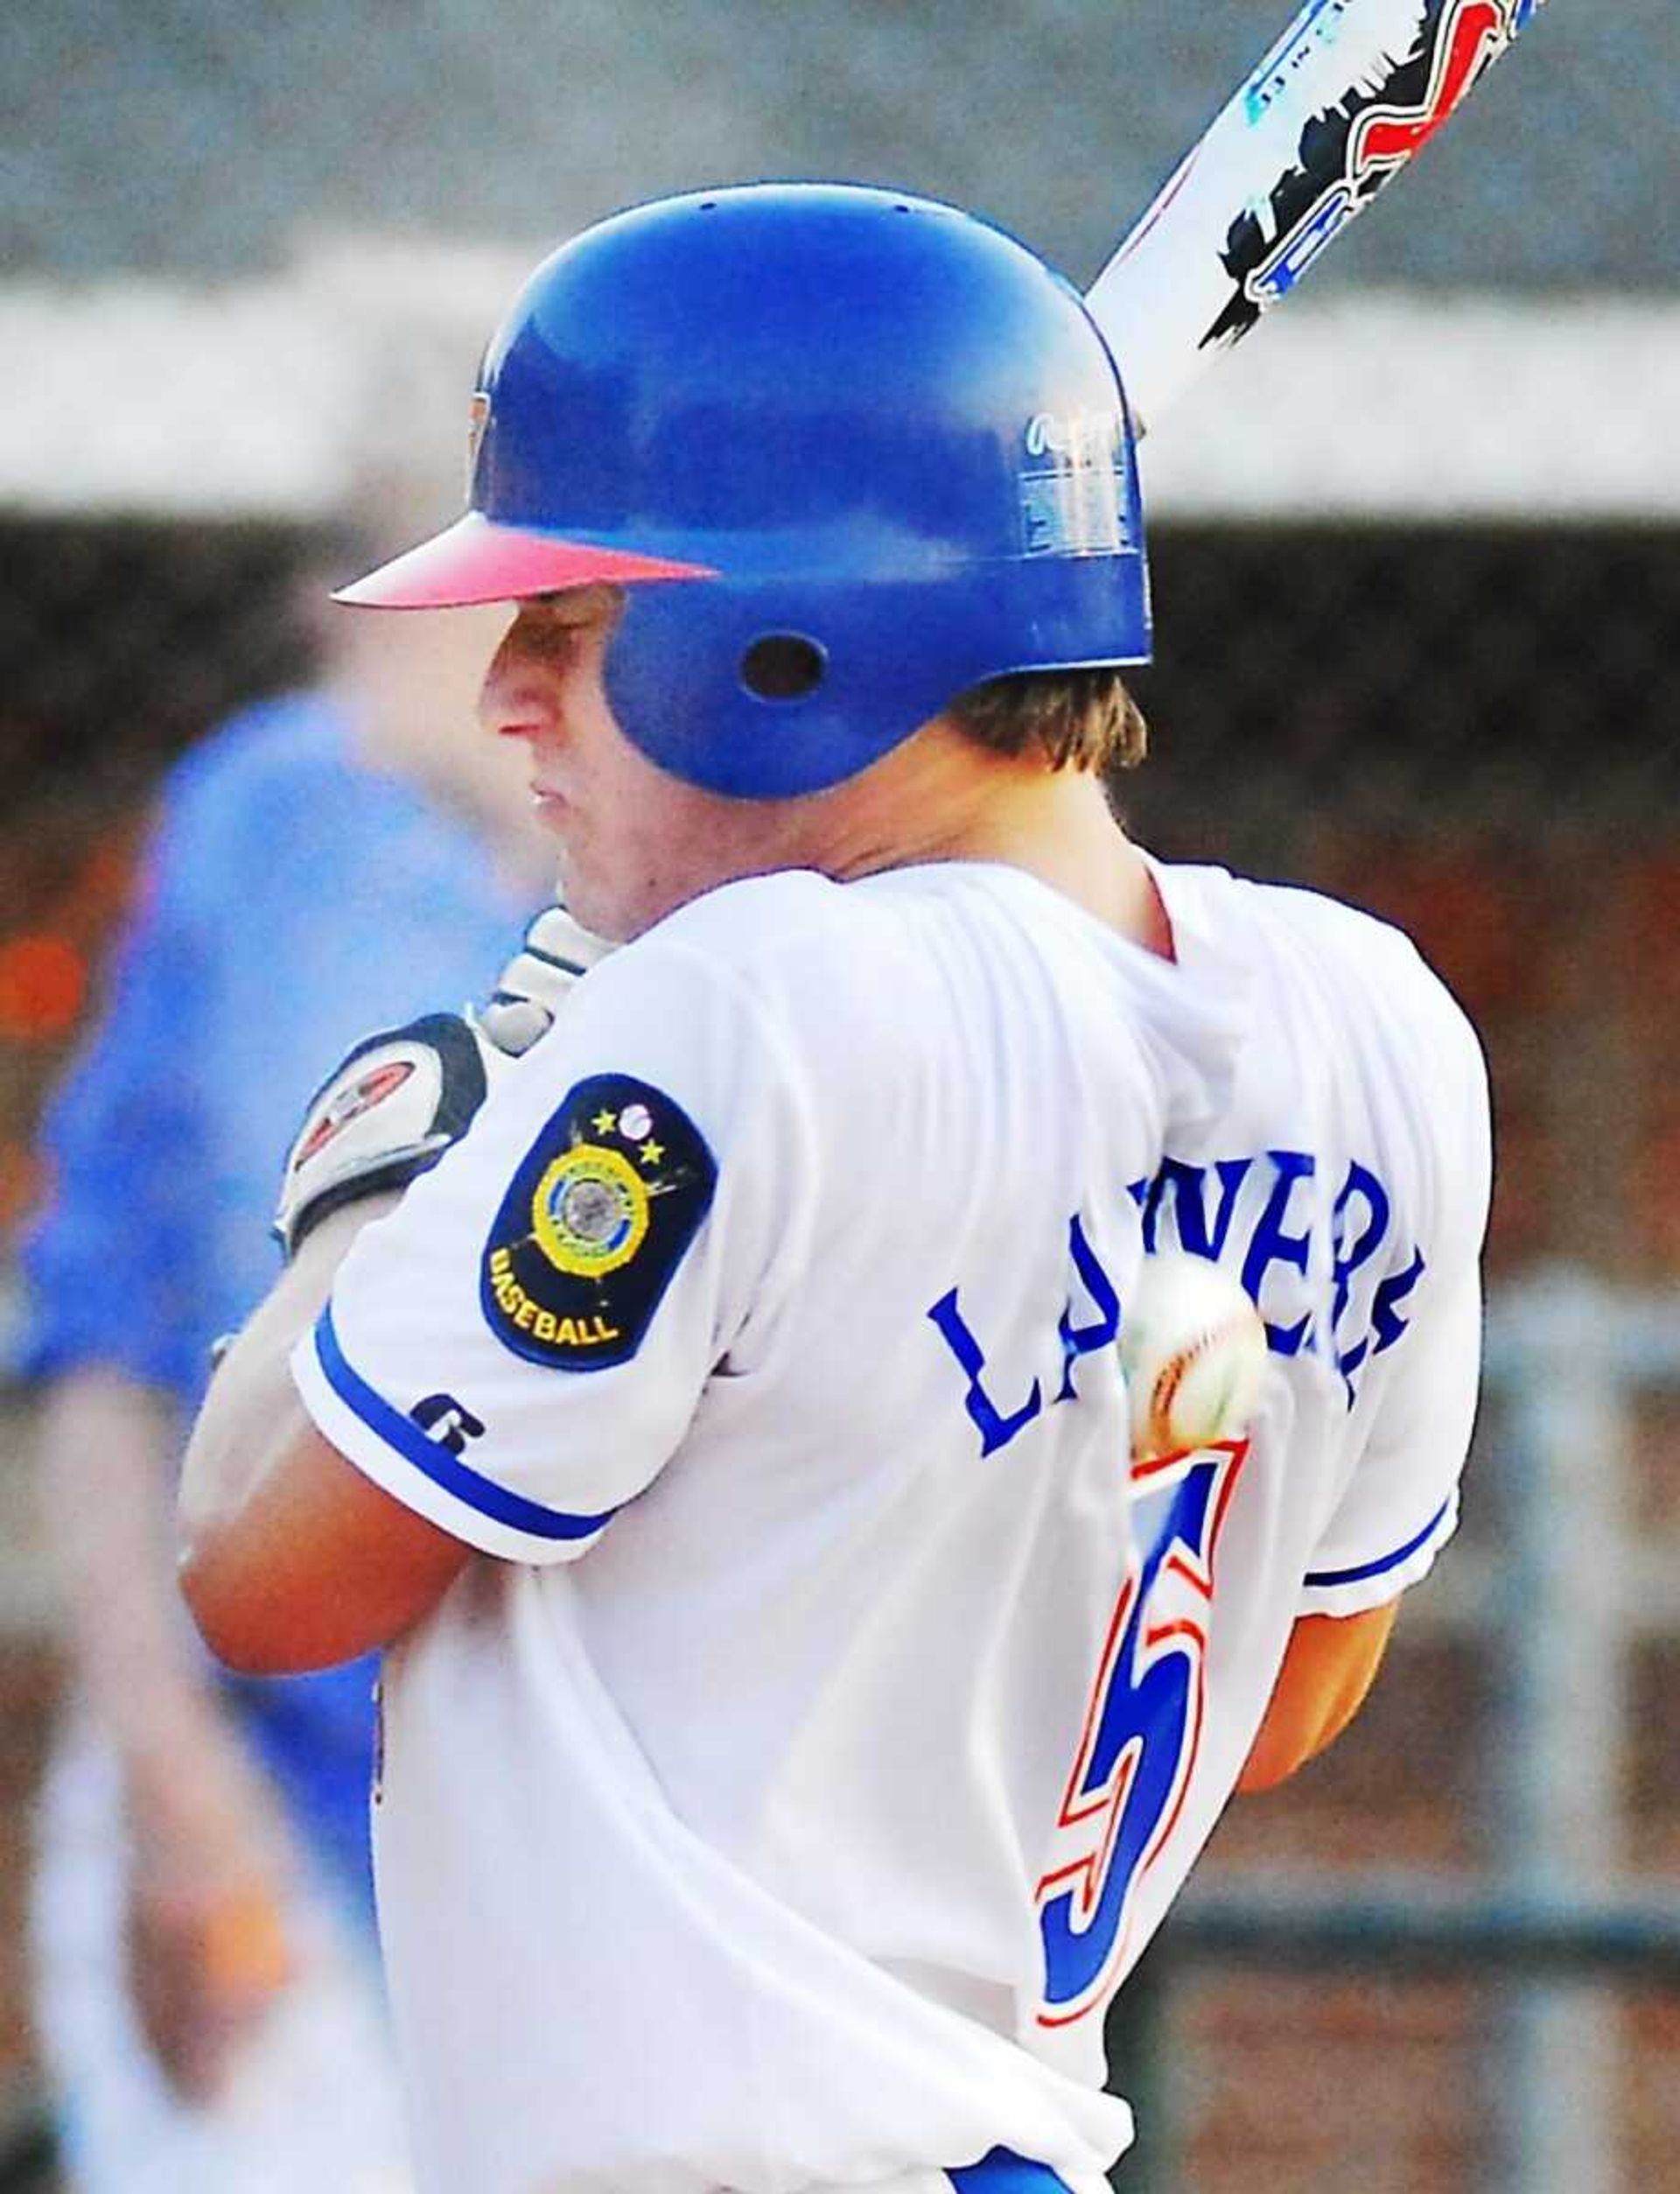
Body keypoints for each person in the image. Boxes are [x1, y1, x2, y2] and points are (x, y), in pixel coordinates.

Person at [174, 184, 1491, 2194]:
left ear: (775, 649)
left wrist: (384, 1177)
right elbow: (1281, 1691)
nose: (508, 696)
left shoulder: (745, 1012)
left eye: (575, 624)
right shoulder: (1375, 1020)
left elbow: (260, 1574)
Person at [19, 529, 550, 2192]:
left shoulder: (719, 866)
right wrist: (179, 1802)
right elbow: (102, 1336)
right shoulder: (268, 821)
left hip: (578, 1807)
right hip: (269, 1764)